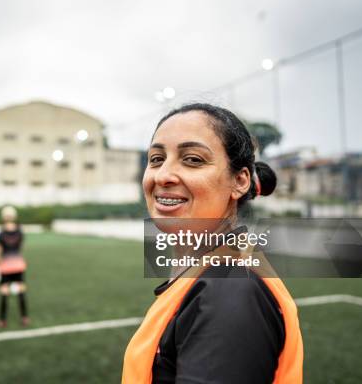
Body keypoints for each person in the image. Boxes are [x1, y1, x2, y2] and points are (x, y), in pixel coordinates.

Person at [121, 103, 303, 383]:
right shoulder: (210, 271)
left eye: (193, 159)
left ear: (240, 181)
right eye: (156, 158)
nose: (163, 175)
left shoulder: (229, 287)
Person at [0, 205, 29, 328]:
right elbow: (21, 247)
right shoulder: (20, 231)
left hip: (5, 265)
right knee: (21, 290)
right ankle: (24, 317)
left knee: (4, 291)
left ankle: (2, 320)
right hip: (18, 263)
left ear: (3, 217)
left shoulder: (1, 233)